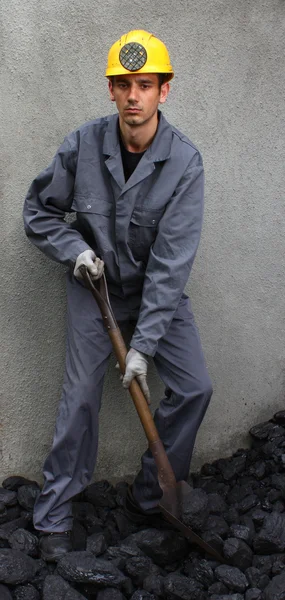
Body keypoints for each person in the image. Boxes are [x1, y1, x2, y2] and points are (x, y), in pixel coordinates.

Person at [23, 29, 213, 562]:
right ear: (111, 90)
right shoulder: (82, 145)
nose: (134, 96)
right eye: (124, 84)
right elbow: (38, 212)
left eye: (145, 85)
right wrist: (73, 249)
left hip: (158, 294)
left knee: (196, 387)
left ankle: (150, 496)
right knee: (80, 397)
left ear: (164, 91)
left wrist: (144, 346)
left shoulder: (185, 165)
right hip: (96, 287)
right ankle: (54, 514)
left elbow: (171, 267)